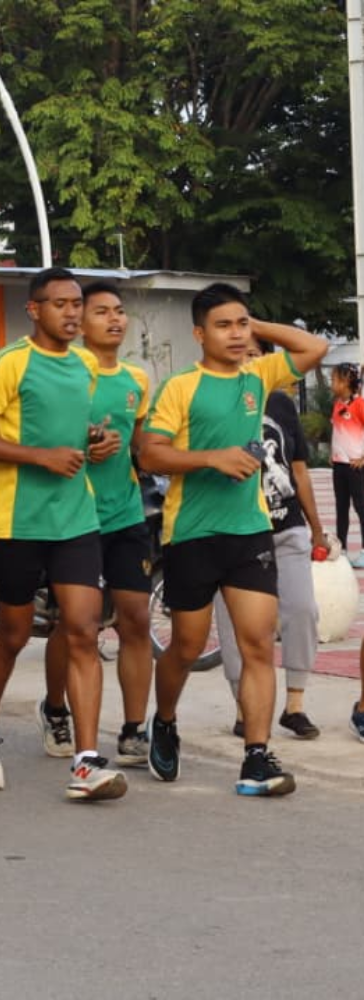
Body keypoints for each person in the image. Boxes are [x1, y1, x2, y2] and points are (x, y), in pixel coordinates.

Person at [141, 282, 326, 797]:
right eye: (223, 326)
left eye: (241, 325)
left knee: (257, 647)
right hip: (192, 535)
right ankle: (167, 719)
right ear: (199, 334)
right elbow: (151, 453)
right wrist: (211, 458)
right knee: (186, 646)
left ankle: (256, 757)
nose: (236, 334)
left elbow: (314, 349)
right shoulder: (180, 386)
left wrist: (252, 325)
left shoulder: (258, 373)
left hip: (249, 533)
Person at [0, 266, 124, 801]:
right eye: (60, 304)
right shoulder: (10, 363)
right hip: (17, 520)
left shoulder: (84, 365)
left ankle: (86, 761)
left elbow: (74, 429)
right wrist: (39, 457)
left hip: (76, 516)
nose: (72, 313)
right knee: (12, 631)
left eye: (77, 303)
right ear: (34, 310)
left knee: (83, 627)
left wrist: (95, 441)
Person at [40, 281, 155, 767]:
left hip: (126, 515)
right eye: (101, 311)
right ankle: (56, 708)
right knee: (75, 624)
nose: (115, 319)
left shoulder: (136, 380)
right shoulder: (69, 375)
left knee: (136, 618)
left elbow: (142, 446)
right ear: (79, 322)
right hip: (75, 517)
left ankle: (132, 730)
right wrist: (85, 449)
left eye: (120, 311)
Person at [214, 338, 326, 741]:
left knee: (302, 610)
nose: (249, 360)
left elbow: (298, 470)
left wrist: (316, 528)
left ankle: (294, 705)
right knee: (236, 626)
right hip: (234, 531)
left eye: (256, 353)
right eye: (241, 351)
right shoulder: (209, 398)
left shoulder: (280, 403)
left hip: (285, 525)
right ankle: (244, 708)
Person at [328, 363, 364, 567]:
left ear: (346, 381)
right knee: (341, 508)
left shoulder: (360, 404)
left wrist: (362, 458)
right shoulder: (337, 404)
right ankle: (341, 549)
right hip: (339, 466)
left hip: (355, 467)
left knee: (361, 507)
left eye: (334, 379)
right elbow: (338, 430)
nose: (331, 383)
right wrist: (333, 454)